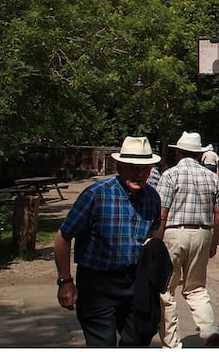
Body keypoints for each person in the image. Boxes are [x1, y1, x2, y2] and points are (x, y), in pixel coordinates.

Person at [54, 136, 164, 346]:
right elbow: (63, 236)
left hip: (135, 283)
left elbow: (154, 234)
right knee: (102, 343)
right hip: (98, 284)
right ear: (120, 166)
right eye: (132, 167)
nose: (138, 173)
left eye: (144, 168)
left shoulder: (152, 197)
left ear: (150, 169)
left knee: (138, 340)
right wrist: (65, 281)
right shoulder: (96, 195)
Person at [155, 131, 219, 348]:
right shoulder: (212, 178)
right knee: (196, 287)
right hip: (203, 233)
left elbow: (162, 213)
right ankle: (209, 329)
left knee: (166, 289)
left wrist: (156, 243)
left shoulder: (170, 175)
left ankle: (172, 343)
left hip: (174, 233)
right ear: (199, 154)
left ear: (178, 152)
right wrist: (214, 243)